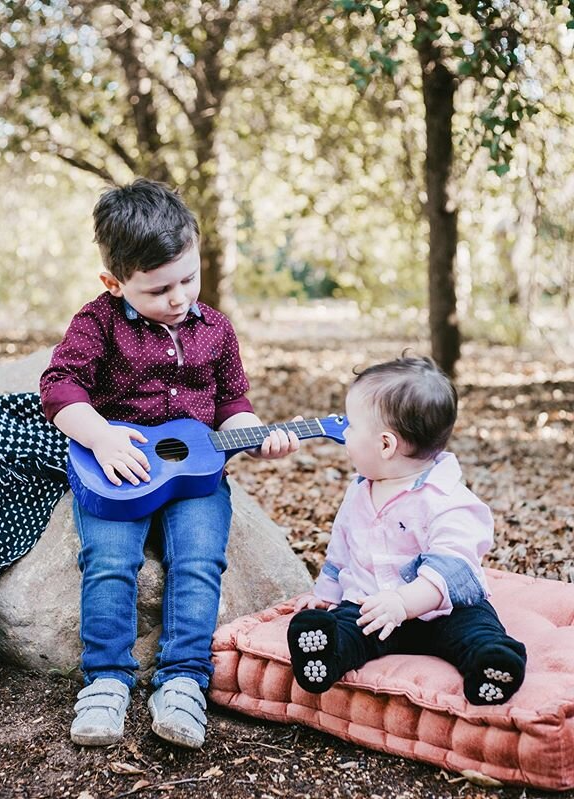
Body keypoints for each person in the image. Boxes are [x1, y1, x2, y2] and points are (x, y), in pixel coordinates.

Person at [40, 178, 300, 749]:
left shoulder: (215, 329)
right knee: (108, 561)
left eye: (189, 278)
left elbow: (232, 404)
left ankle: (182, 679)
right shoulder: (98, 321)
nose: (180, 297)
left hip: (195, 476)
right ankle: (106, 680)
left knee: (200, 561)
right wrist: (103, 439)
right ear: (114, 283)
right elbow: (60, 388)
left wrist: (255, 437)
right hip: (116, 470)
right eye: (159, 289)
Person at [287, 355, 526, 706]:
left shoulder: (447, 500)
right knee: (351, 628)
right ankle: (327, 652)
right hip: (373, 605)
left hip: (441, 611)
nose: (344, 433)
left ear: (386, 445)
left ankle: (491, 664)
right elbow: (343, 551)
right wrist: (327, 593)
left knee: (475, 630)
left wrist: (403, 602)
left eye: (351, 426)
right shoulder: (360, 490)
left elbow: (452, 569)